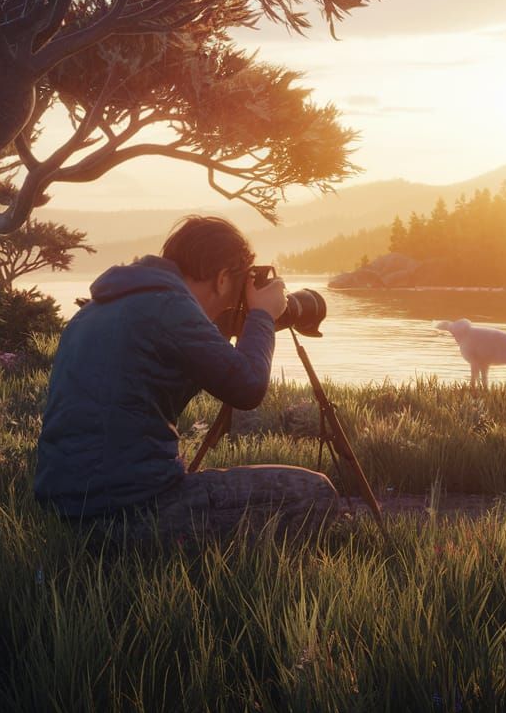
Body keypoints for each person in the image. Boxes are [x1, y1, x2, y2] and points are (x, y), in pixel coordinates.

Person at [34, 215, 339, 542]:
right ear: (223, 279)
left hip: (65, 505)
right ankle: (240, 573)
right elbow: (247, 388)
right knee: (314, 491)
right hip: (130, 512)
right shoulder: (171, 306)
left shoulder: (101, 306)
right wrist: (263, 314)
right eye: (236, 293)